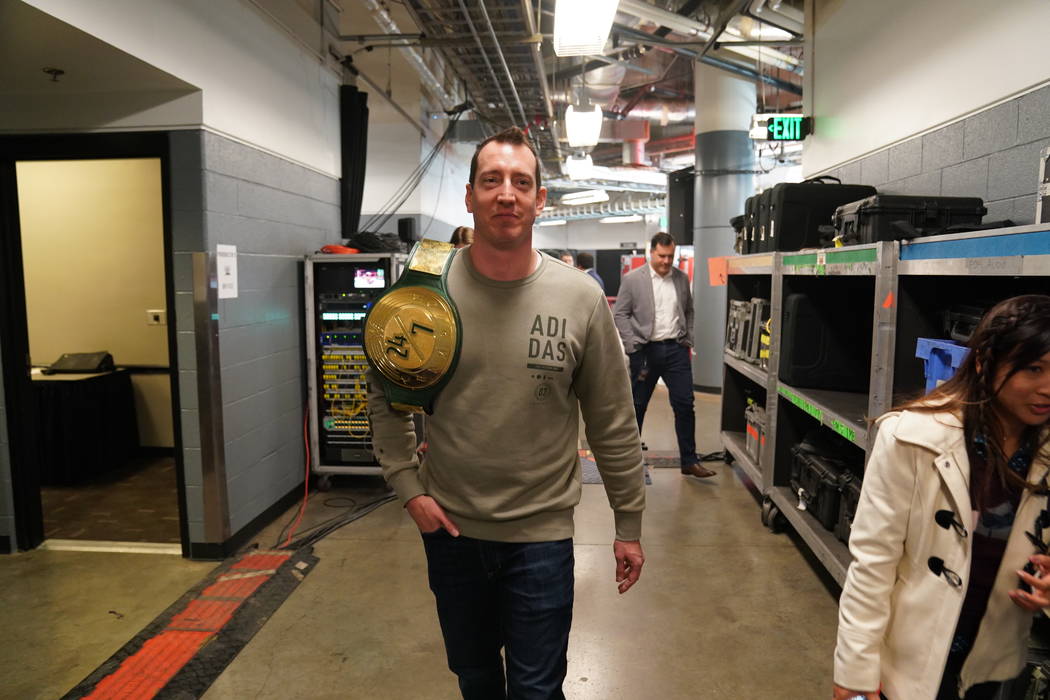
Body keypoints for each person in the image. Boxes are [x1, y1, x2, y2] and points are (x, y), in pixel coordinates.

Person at [367, 126, 646, 700]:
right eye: (491, 180)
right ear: (469, 196)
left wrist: (629, 525)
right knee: (475, 679)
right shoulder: (424, 291)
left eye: (521, 182)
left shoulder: (580, 298)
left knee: (537, 690)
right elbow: (385, 395)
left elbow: (613, 420)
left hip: (541, 535)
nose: (506, 194)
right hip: (450, 527)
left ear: (541, 199)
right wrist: (407, 488)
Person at [833, 294, 1050, 700]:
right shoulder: (912, 438)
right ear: (985, 363)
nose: (1047, 388)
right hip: (912, 657)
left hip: (994, 660)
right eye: (1033, 368)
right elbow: (872, 563)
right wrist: (854, 674)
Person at [612, 232, 714, 479]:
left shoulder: (680, 278)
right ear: (651, 253)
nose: (667, 261)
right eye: (662, 256)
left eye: (671, 256)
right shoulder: (633, 280)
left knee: (684, 404)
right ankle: (630, 461)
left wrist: (688, 338)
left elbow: (689, 310)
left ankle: (689, 461)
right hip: (645, 351)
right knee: (638, 405)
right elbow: (620, 314)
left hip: (676, 350)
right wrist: (632, 345)